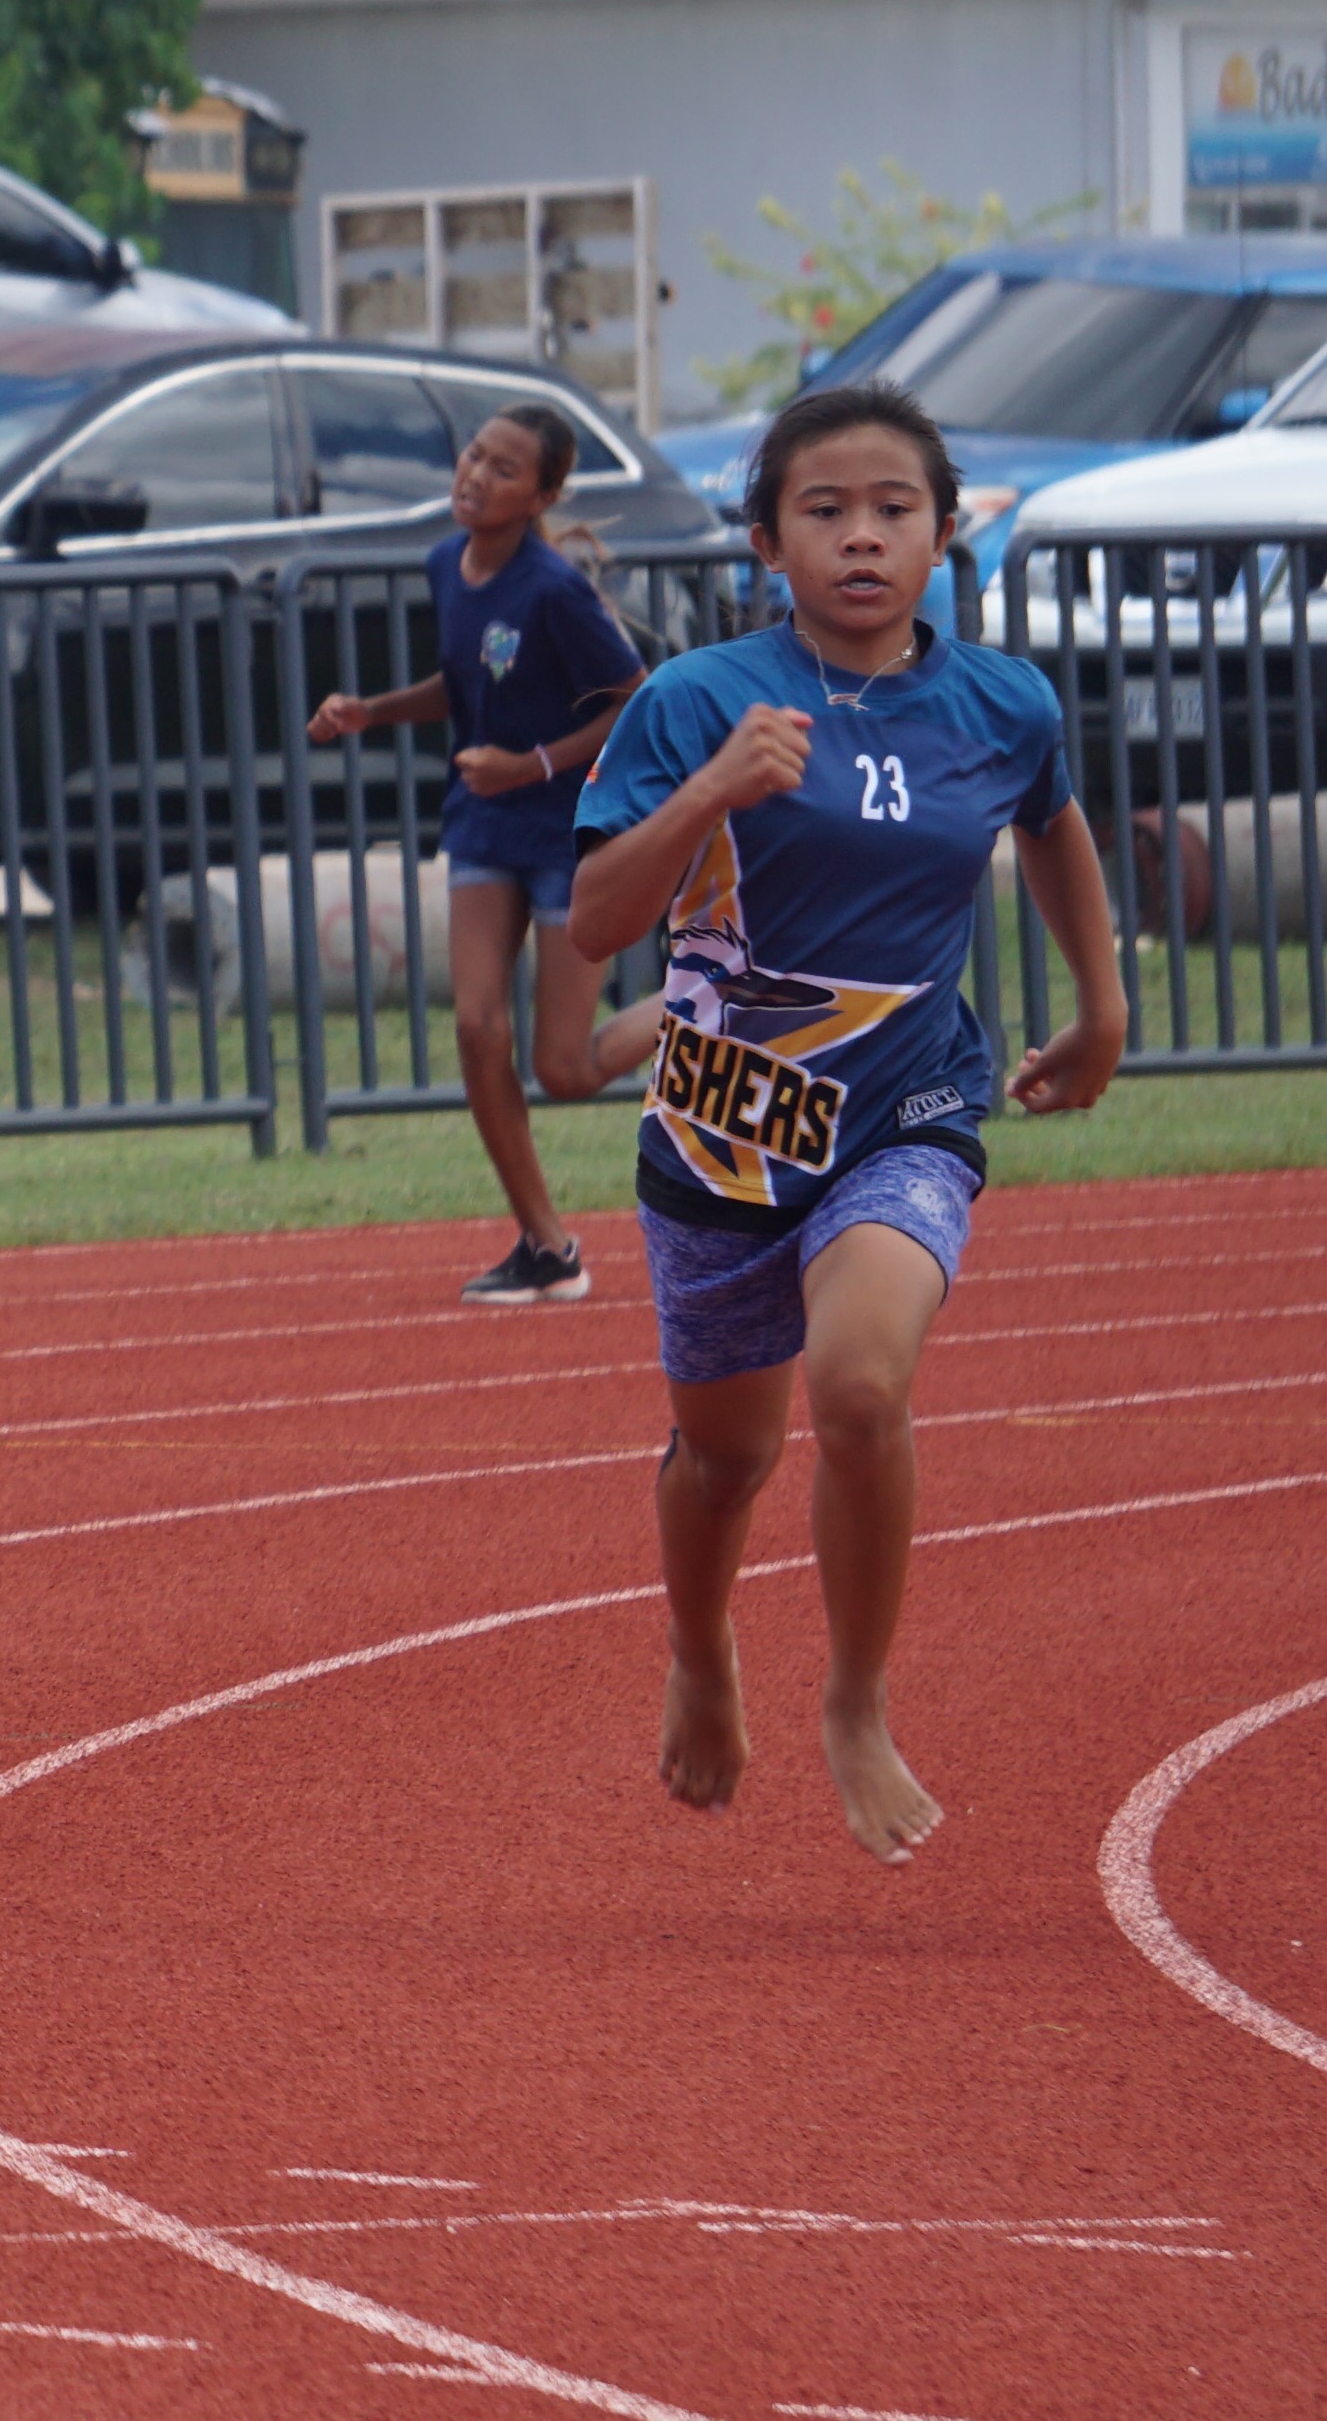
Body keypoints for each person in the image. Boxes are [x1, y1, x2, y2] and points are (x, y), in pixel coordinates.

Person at [568, 379, 1123, 1867]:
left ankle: (856, 1697)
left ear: (944, 534)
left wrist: (1100, 1000)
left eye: (892, 510)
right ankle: (698, 1645)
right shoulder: (693, 696)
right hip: (722, 1126)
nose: (860, 538)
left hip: (906, 1100)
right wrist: (712, 786)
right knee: (722, 1454)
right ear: (764, 541)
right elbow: (588, 924)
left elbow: (1051, 827)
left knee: (861, 1388)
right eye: (823, 511)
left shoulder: (999, 701)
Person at [306, 401, 674, 1301]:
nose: (476, 475)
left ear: (542, 493)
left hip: (565, 828)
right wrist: (372, 711)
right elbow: (468, 677)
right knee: (476, 1029)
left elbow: (634, 698)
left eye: (504, 469)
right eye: (474, 455)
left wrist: (529, 765)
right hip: (482, 822)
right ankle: (545, 1245)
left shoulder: (553, 588)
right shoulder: (445, 561)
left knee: (563, 1066)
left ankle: (706, 993)